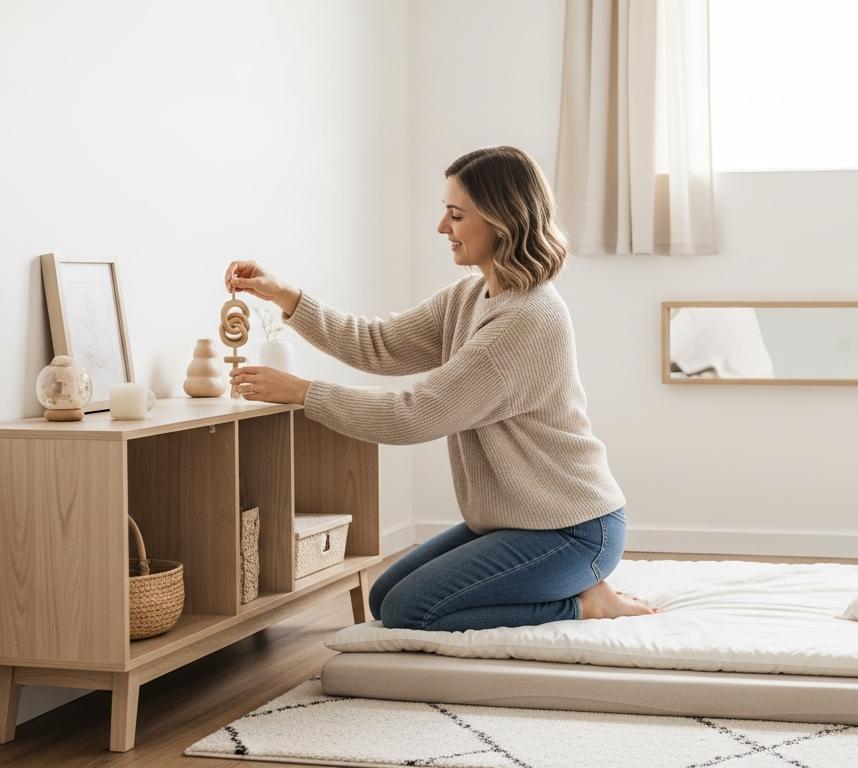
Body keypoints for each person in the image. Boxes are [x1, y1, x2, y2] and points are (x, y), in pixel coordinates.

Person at [222, 145, 659, 632]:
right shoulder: (472, 295)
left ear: (501, 221)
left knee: (412, 608)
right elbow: (378, 344)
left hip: (572, 529)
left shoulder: (525, 321)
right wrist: (286, 295)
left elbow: (415, 415)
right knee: (387, 597)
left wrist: (304, 392)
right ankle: (571, 590)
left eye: (456, 214)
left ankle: (586, 604)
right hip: (517, 521)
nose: (441, 227)